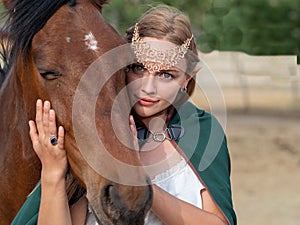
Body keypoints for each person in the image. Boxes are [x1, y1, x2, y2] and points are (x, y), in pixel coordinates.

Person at [11, 5, 236, 225]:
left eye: (166, 75)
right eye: (138, 68)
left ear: (187, 78)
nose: (148, 88)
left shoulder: (201, 129)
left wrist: (137, 180)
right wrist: (53, 173)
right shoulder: (96, 129)